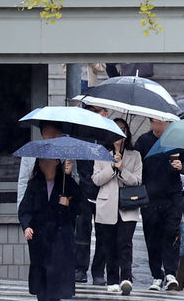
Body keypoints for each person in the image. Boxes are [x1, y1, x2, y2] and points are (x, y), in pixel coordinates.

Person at [19, 156, 85, 301]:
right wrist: (27, 226)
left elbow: (81, 207)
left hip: (60, 237)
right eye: (42, 161)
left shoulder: (66, 183)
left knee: (56, 277)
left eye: (48, 161)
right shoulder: (34, 184)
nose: (45, 164)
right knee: (41, 278)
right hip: (40, 237)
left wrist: (68, 203)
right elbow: (25, 210)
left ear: (56, 162)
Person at [135, 118, 184, 292]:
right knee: (152, 236)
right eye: (156, 122)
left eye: (162, 123)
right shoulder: (143, 141)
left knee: (172, 232)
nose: (159, 126)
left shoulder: (177, 140)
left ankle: (171, 272)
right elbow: (137, 166)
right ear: (150, 122)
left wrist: (181, 165)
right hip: (150, 197)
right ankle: (156, 275)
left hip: (172, 195)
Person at [92, 121, 143, 296]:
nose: (119, 134)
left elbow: (137, 181)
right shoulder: (100, 154)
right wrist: (113, 167)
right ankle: (112, 279)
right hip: (107, 205)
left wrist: (122, 168)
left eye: (122, 131)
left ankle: (126, 278)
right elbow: (96, 179)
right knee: (109, 244)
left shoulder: (135, 155)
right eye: (115, 131)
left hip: (128, 206)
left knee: (125, 243)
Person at [75, 106, 110, 285]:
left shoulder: (109, 136)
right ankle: (80, 268)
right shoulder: (82, 134)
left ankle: (99, 271)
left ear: (106, 113)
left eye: (99, 111)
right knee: (82, 231)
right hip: (84, 189)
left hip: (105, 190)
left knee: (104, 233)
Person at [18, 122, 75, 213]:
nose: (53, 136)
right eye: (49, 132)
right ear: (43, 133)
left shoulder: (66, 153)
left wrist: (67, 174)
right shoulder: (31, 153)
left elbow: (72, 190)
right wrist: (21, 210)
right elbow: (23, 182)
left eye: (56, 133)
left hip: (58, 210)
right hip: (36, 207)